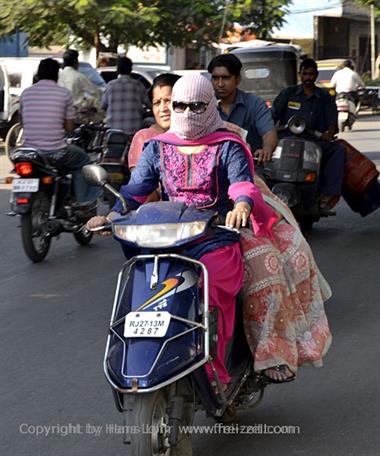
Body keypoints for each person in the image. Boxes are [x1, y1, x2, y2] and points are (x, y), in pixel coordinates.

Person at [87, 73, 279, 389]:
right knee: (140, 285)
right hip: (166, 235)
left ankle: (218, 368)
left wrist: (242, 204)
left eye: (196, 106)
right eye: (180, 105)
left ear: (211, 105)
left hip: (214, 235)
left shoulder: (228, 144)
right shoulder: (157, 146)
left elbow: (241, 183)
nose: (187, 113)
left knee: (215, 289)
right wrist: (112, 215)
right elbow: (136, 190)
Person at [271, 58, 346, 215]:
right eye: (305, 74)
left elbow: (332, 121)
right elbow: (272, 116)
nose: (308, 78)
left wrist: (329, 133)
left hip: (314, 141)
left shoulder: (324, 96)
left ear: (316, 75)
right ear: (300, 74)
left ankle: (327, 194)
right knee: (262, 154)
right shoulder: (288, 93)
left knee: (338, 150)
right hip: (286, 138)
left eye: (311, 74)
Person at [20, 58, 98, 204]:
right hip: (55, 151)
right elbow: (69, 127)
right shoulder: (63, 94)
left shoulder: (26, 93)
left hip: (28, 152)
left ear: (39, 74)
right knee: (83, 160)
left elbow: (23, 121)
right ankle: (84, 202)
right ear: (56, 75)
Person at [207, 53, 277, 163]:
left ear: (237, 79)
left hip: (249, 165)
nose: (220, 84)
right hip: (212, 166)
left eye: (226, 78)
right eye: (215, 78)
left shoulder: (255, 103)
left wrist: (267, 149)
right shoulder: (205, 105)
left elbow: (268, 132)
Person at [128, 73, 181, 170]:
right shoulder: (144, 138)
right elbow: (138, 182)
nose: (162, 109)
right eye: (157, 103)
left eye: (168, 101)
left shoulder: (194, 136)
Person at [101, 56, 149, 134]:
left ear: (117, 70)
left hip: (113, 131)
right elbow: (149, 104)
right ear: (130, 70)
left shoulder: (110, 85)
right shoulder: (138, 85)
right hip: (133, 131)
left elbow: (103, 106)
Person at [58, 49, 102, 123]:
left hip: (59, 113)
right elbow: (95, 92)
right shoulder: (79, 76)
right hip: (75, 115)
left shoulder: (58, 76)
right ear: (75, 62)